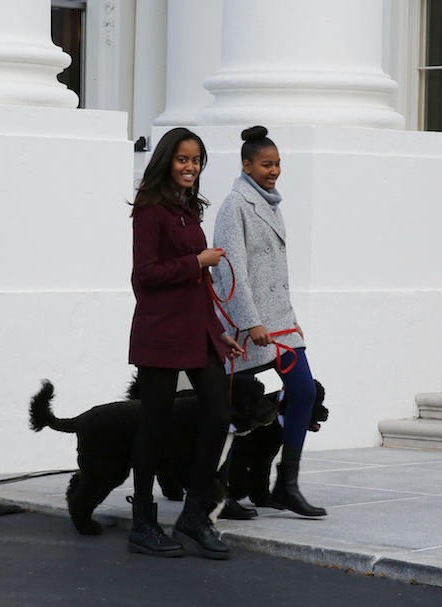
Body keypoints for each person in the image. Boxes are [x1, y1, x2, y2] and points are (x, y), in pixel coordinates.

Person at [128, 127, 243, 559]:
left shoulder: (188, 209)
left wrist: (219, 333)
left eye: (196, 160)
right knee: (153, 425)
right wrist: (196, 261)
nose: (190, 167)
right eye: (183, 159)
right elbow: (145, 276)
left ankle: (194, 513)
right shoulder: (150, 210)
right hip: (161, 332)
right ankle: (142, 522)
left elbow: (198, 288)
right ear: (165, 161)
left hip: (198, 330)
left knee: (218, 414)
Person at [211, 125, 326, 518]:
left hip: (280, 325)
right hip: (248, 328)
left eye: (277, 164)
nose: (273, 171)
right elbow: (231, 270)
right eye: (265, 164)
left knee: (304, 392)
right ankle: (220, 493)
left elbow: (276, 274)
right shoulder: (234, 205)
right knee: (230, 411)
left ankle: (286, 485)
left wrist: (291, 320)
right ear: (246, 165)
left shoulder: (271, 203)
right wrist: (250, 320)